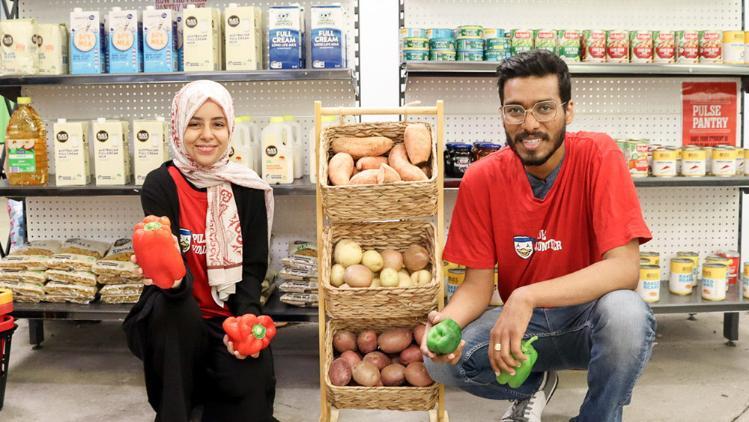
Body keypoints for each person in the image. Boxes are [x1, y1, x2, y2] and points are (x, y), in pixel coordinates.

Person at [421, 50, 656, 422]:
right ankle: (533, 384)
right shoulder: (481, 178)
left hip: (588, 320)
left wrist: (526, 297)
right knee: (440, 365)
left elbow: (625, 270)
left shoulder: (599, 155)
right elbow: (477, 287)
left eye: (544, 108)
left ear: (568, 110)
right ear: (502, 113)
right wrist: (447, 323)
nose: (529, 124)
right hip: (524, 330)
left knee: (627, 314)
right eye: (515, 110)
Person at [123, 80, 277, 422]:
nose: (207, 135)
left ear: (230, 128)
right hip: (176, 312)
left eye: (217, 124)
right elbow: (168, 269)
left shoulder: (246, 186)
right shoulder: (161, 184)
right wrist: (167, 276)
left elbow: (252, 267)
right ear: (179, 127)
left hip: (228, 313)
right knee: (171, 314)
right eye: (195, 123)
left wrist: (245, 318)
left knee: (251, 387)